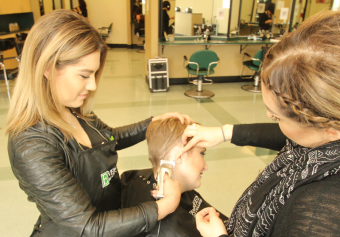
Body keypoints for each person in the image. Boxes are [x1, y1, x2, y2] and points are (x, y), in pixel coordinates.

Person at [6, 10, 192, 237]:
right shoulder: (32, 145)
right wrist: (165, 205)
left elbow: (109, 138)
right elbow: (88, 226)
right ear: (47, 68)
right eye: (84, 75)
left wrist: (151, 123)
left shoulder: (73, 110)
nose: (93, 85)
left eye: (94, 74)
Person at [181, 10, 340, 237]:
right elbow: (292, 137)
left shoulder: (317, 213)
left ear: (331, 129)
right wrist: (224, 133)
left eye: (277, 117)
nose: (269, 116)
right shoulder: (320, 139)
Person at [121, 118, 228, 236]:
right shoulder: (164, 230)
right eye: (202, 153)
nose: (206, 166)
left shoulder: (137, 179)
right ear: (180, 155)